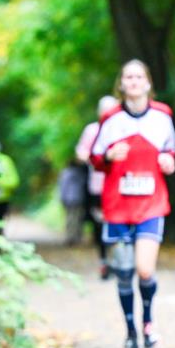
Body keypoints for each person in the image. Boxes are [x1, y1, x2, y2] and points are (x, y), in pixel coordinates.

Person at [90, 60, 175, 348]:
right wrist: (110, 156)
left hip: (151, 203)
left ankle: (148, 324)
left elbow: (170, 149)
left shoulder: (163, 115)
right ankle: (130, 330)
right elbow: (95, 157)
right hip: (117, 205)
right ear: (122, 84)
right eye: (129, 76)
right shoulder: (111, 119)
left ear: (148, 82)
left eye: (140, 76)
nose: (135, 81)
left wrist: (168, 161)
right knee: (123, 270)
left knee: (143, 269)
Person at [76, 95, 120, 279]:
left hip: (120, 186)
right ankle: (104, 261)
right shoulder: (92, 130)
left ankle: (120, 261)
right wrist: (94, 158)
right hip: (97, 186)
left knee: (119, 223)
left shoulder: (123, 129)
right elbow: (81, 153)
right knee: (100, 224)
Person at [59, 158, 88, 245]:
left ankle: (70, 236)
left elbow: (62, 187)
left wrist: (62, 198)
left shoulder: (65, 173)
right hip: (78, 198)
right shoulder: (81, 174)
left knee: (70, 218)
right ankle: (76, 237)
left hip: (68, 199)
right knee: (77, 218)